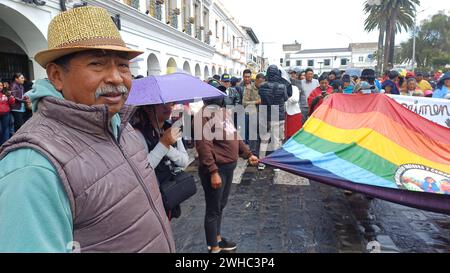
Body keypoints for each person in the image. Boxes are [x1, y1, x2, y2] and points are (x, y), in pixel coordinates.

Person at [0, 6, 175, 253]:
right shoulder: (33, 165)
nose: (116, 77)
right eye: (97, 64)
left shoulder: (122, 126)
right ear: (57, 75)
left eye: (123, 66)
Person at [195, 84, 258, 253]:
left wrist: (247, 153)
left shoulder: (223, 112)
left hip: (229, 167)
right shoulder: (202, 116)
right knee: (213, 208)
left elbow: (234, 135)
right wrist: (213, 171)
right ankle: (213, 248)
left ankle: (218, 238)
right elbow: (203, 147)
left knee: (220, 205)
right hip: (217, 169)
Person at [131, 103, 189, 220]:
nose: (168, 107)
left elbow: (184, 161)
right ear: (147, 108)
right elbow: (143, 170)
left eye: (170, 103)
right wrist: (163, 144)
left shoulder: (171, 128)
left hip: (170, 191)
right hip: (152, 198)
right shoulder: (137, 134)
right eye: (161, 105)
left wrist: (167, 147)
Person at [258, 65, 289, 158]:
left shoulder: (262, 85)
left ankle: (261, 162)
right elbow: (286, 98)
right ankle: (276, 164)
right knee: (277, 140)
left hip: (265, 116)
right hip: (278, 115)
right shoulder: (282, 86)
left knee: (264, 139)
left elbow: (261, 97)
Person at [242, 69, 261, 159]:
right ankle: (250, 152)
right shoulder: (247, 87)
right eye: (245, 76)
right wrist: (256, 102)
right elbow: (244, 102)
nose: (247, 78)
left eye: (248, 76)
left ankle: (257, 151)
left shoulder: (263, 87)